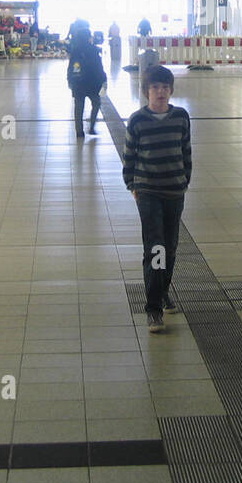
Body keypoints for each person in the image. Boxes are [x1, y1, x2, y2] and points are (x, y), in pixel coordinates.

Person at [123, 65, 192, 334]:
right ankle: (153, 308)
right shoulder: (138, 120)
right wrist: (133, 184)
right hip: (148, 191)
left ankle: (163, 291)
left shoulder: (181, 117)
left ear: (171, 90)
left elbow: (186, 150)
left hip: (174, 190)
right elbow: (130, 156)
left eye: (165, 87)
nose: (160, 92)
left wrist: (185, 179)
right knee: (156, 248)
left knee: (171, 247)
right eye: (155, 87)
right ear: (146, 91)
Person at [67, 26, 107, 137]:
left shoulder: (75, 50)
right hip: (92, 83)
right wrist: (103, 78)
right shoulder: (93, 49)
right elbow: (98, 66)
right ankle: (92, 127)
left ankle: (79, 131)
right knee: (96, 103)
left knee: (79, 107)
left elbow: (71, 67)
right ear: (88, 37)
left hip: (78, 83)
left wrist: (70, 79)